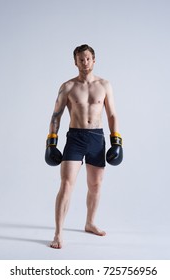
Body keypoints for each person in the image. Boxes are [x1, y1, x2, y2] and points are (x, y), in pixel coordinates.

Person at [45, 44, 123, 249]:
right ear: (75, 62)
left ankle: (90, 223)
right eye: (81, 59)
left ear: (94, 60)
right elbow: (56, 115)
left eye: (88, 58)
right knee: (66, 184)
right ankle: (58, 233)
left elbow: (112, 114)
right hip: (76, 138)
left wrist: (116, 141)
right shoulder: (67, 86)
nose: (84, 62)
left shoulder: (105, 85)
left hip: (97, 138)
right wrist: (51, 142)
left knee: (95, 185)